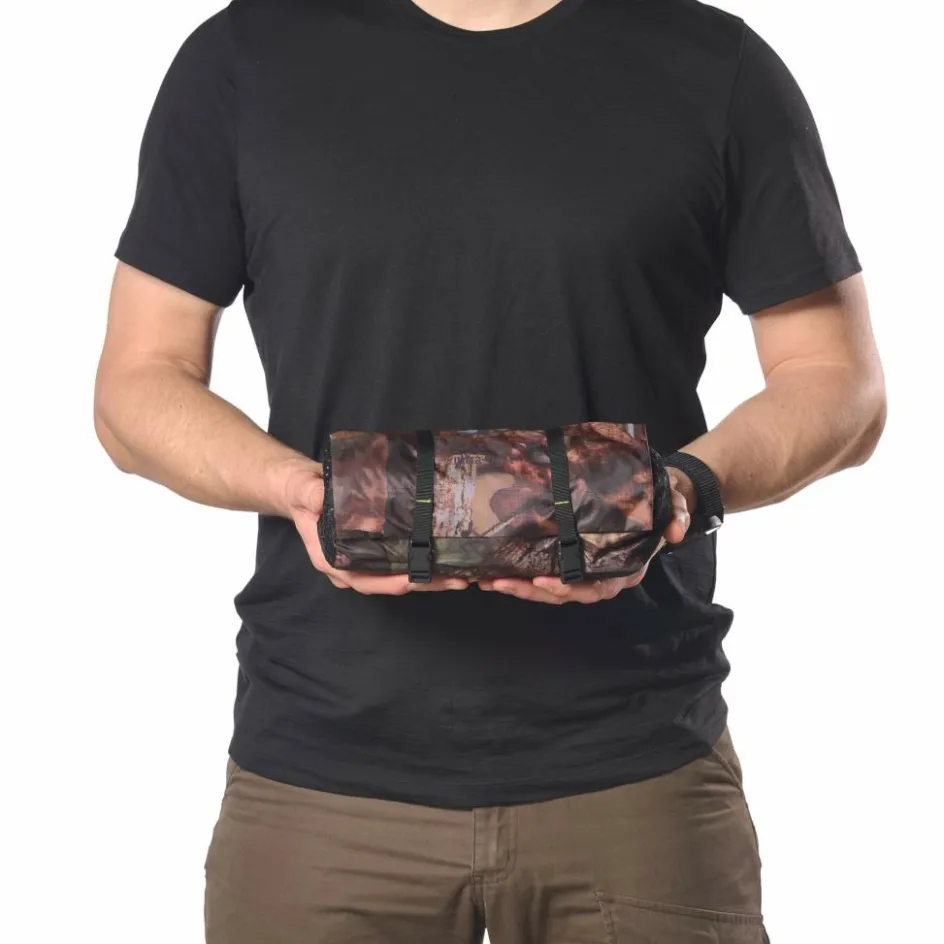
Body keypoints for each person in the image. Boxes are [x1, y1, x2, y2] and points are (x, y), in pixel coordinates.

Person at [94, 1, 886, 941]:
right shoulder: (245, 57)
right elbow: (136, 387)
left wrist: (679, 491)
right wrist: (294, 488)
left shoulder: (715, 66)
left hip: (638, 769)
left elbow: (840, 384)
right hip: (323, 771)